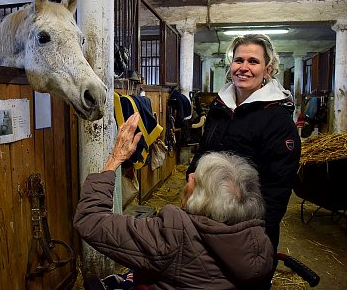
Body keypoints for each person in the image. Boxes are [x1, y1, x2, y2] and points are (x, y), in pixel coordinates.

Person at [74, 112, 274, 289]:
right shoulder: (260, 242)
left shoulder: (173, 235)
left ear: (203, 201)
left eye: (199, 181)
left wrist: (114, 160)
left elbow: (90, 219)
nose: (190, 175)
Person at [186, 34, 301, 284]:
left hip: (248, 227)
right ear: (231, 65)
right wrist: (192, 183)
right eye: (239, 60)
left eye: (253, 61)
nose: (244, 67)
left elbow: (278, 186)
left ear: (268, 69)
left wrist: (257, 234)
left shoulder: (277, 120)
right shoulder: (220, 107)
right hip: (207, 218)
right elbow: (203, 152)